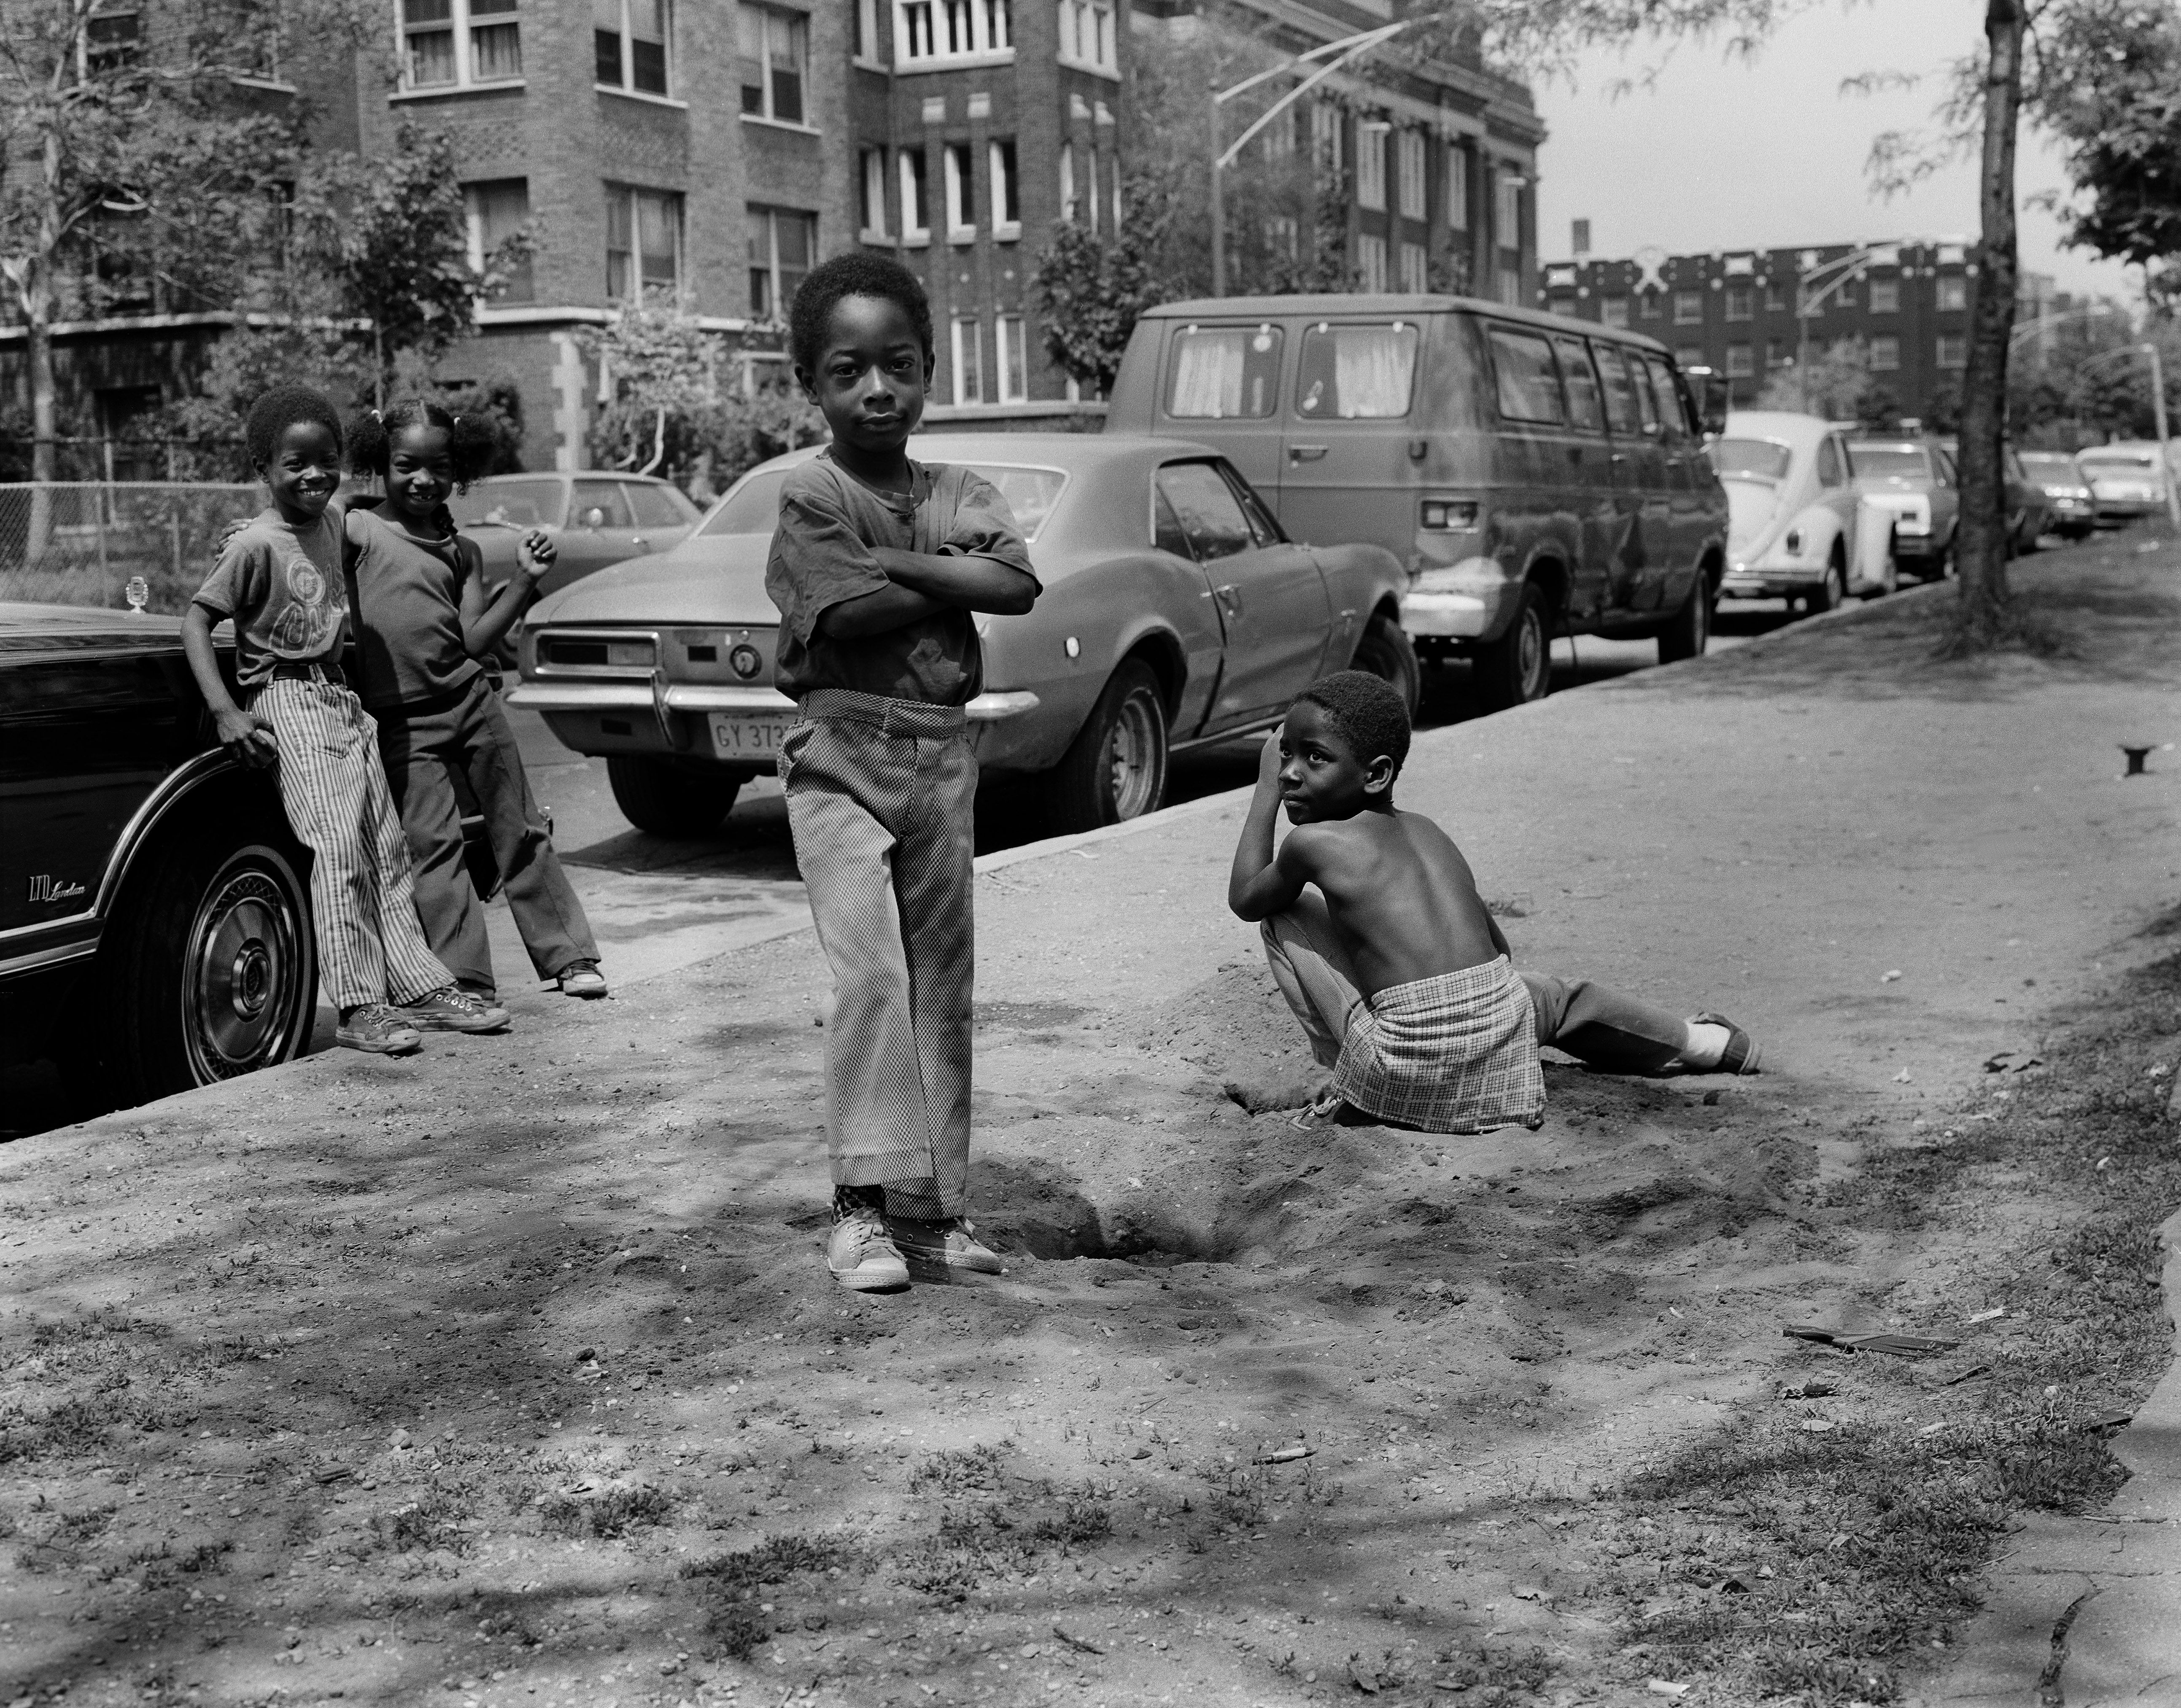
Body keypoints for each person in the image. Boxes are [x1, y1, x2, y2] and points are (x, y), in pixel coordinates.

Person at [768, 252, 1041, 1290]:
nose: (875, 390)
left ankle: (934, 1213)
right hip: (838, 752)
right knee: (872, 973)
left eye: (897, 367)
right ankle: (859, 1209)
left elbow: (1015, 582)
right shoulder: (810, 490)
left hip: (937, 753)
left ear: (928, 368)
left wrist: (893, 564)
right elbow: (838, 613)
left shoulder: (957, 486)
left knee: (941, 983)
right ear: (812, 384)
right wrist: (942, 579)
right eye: (847, 372)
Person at [1227, 671, 1760, 1133]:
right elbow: (1499, 953)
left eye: (1313, 758)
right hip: (1501, 1038)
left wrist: (1262, 790)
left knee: (1283, 912)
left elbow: (1246, 899)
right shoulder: (1431, 834)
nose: (1290, 772)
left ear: (1375, 775)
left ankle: (1343, 1076)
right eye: (1286, 757)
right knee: (1558, 998)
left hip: (1400, 1069)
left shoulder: (1311, 844)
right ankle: (1704, 1043)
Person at [181, 386, 510, 1055]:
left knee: (385, 849)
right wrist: (225, 711)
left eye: (326, 460)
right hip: (287, 698)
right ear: (262, 469)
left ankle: (418, 986)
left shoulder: (336, 519)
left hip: (341, 698)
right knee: (336, 849)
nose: (313, 474)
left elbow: (388, 517)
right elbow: (197, 619)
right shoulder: (253, 545)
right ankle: (360, 1004)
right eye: (294, 463)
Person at [344, 399, 610, 1004]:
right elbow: (299, 536)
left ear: (458, 470)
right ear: (380, 464)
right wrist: (255, 533)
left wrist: (525, 581)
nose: (423, 480)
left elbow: (472, 639)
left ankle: (569, 958)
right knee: (431, 848)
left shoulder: (460, 552)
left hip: (472, 704)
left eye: (438, 468)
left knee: (518, 829)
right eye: (407, 465)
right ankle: (463, 979)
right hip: (402, 722)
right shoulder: (356, 530)